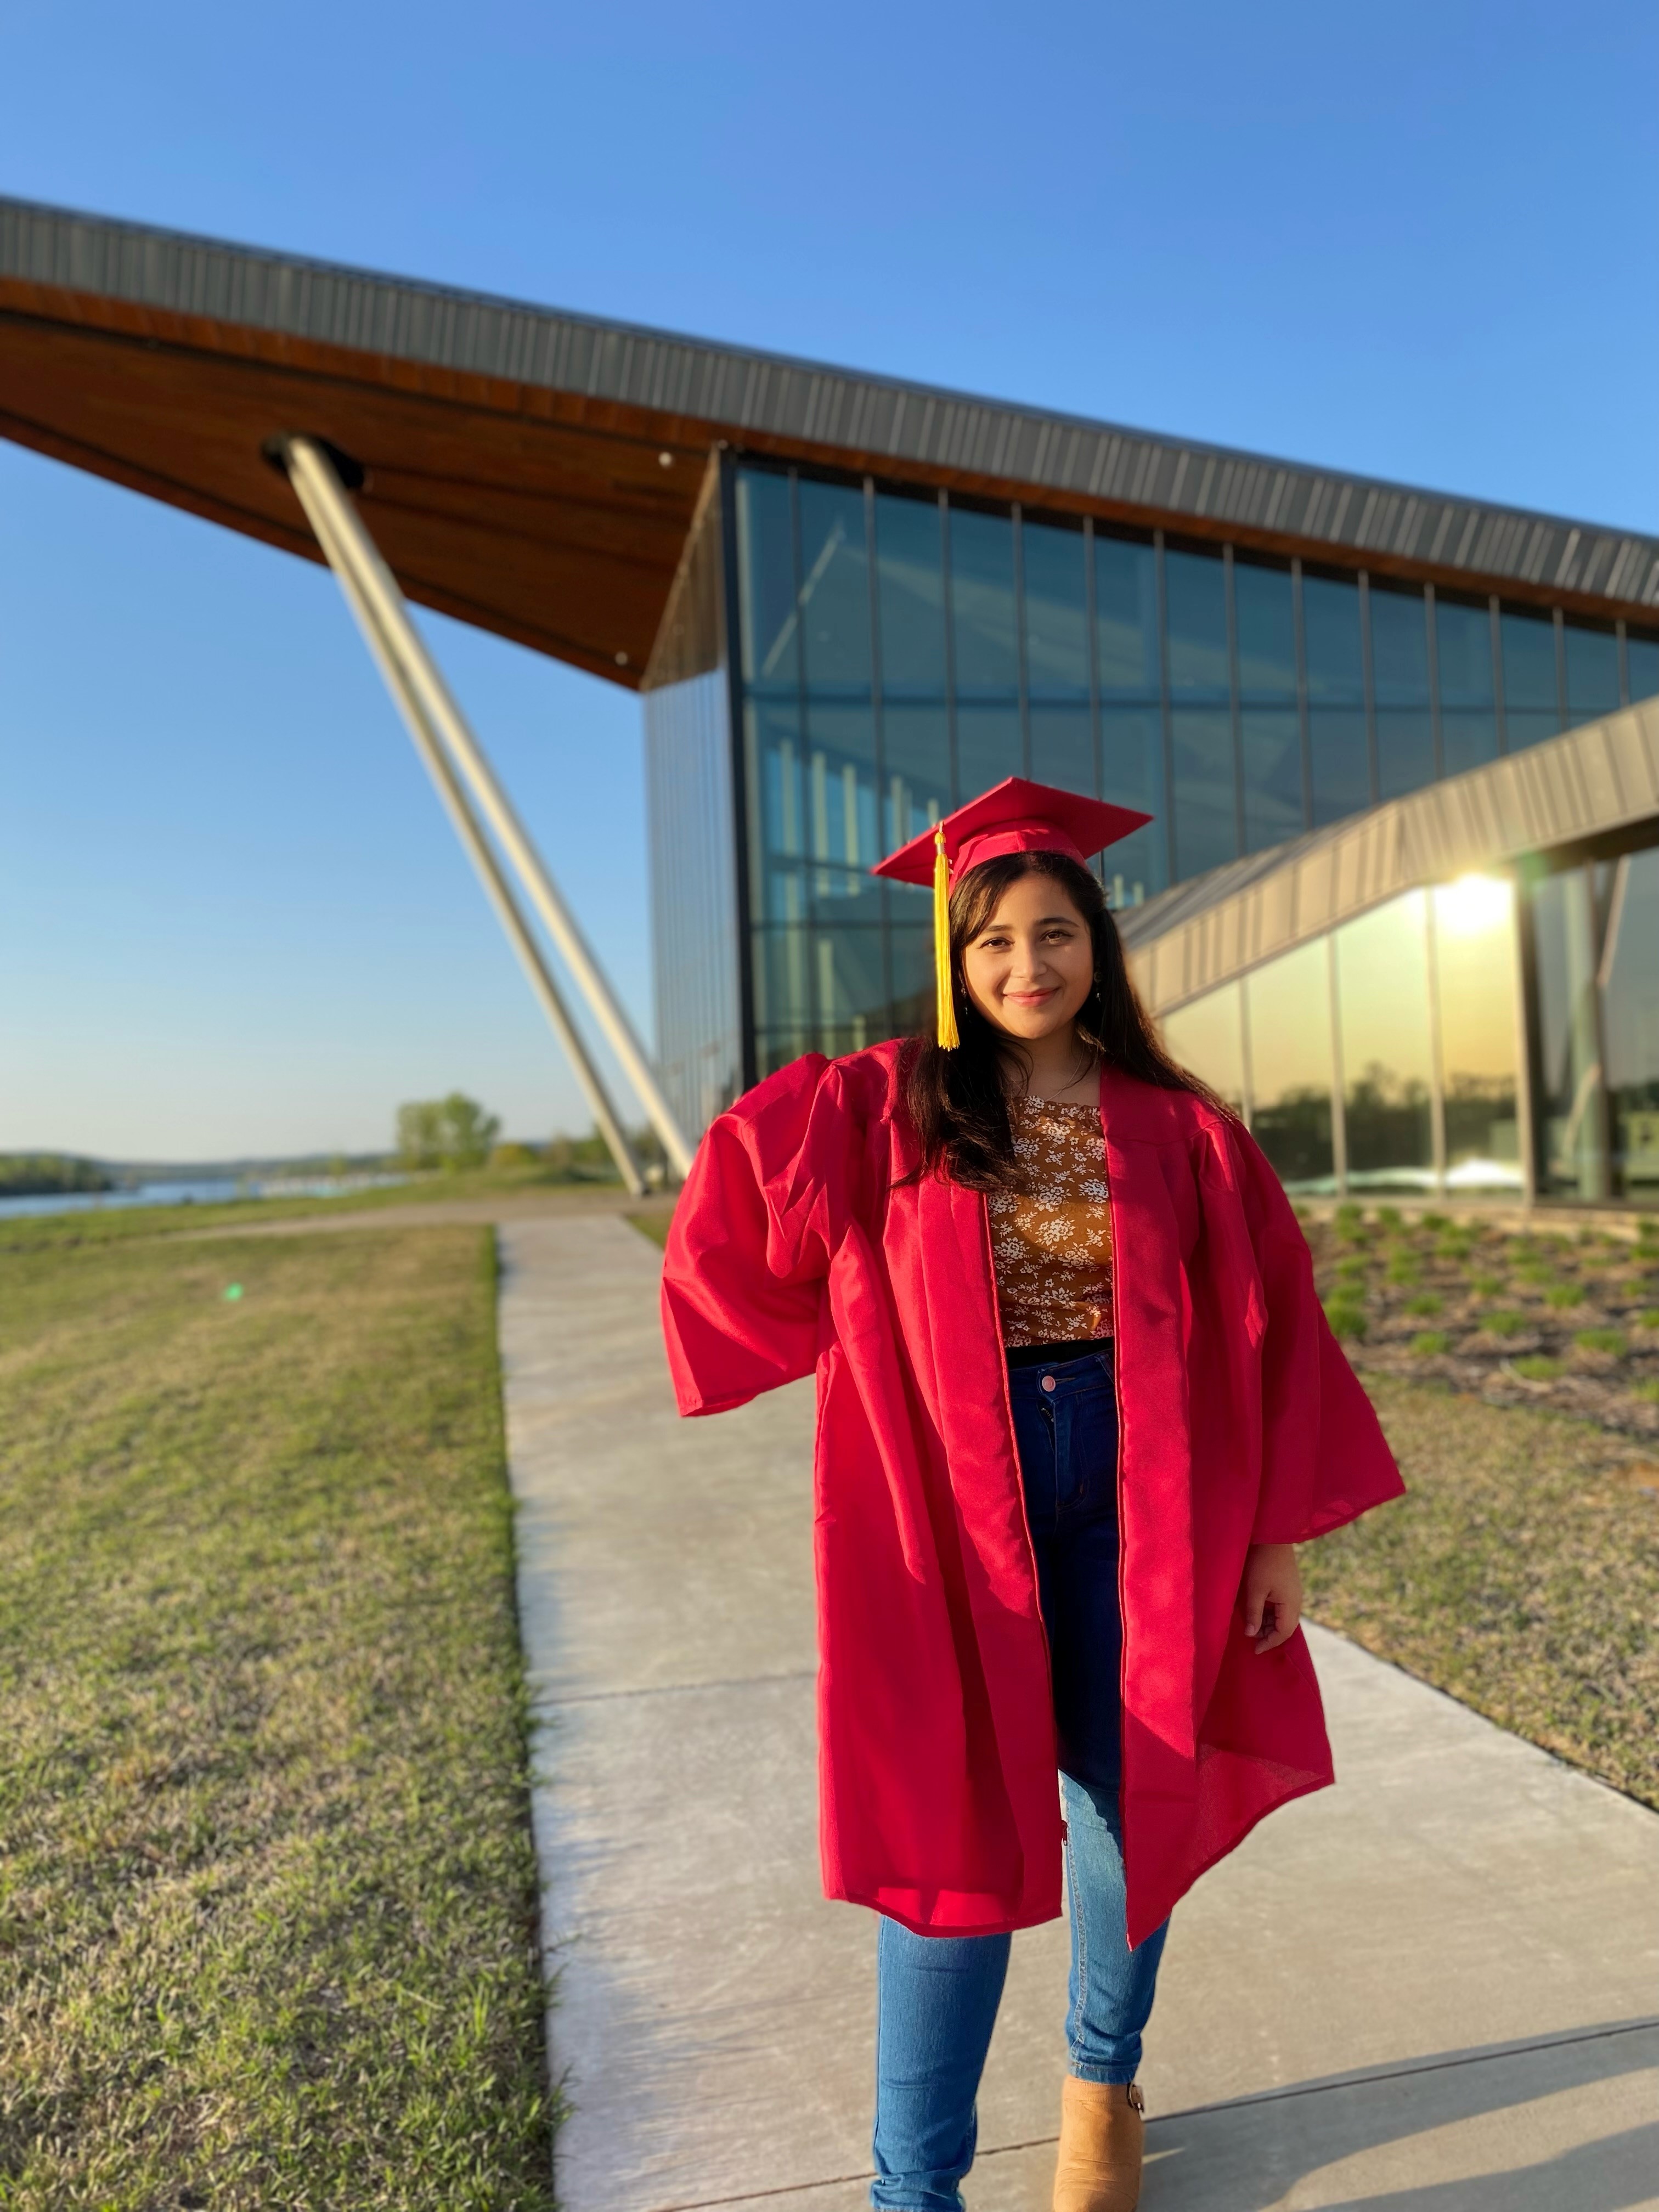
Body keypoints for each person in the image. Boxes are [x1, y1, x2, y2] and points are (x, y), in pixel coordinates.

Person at [661, 777, 1403, 2212]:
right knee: (949, 1852)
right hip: (955, 1516)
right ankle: (913, 2189)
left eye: (1055, 933)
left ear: (1097, 948)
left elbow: (1273, 1325)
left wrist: (1273, 1537)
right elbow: (737, 1212)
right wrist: (807, 1159)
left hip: (1145, 1506)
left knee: (1134, 1807)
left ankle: (1100, 2093)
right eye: (992, 940)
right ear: (956, 959)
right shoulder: (885, 1104)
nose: (1026, 965)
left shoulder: (1180, 1129)